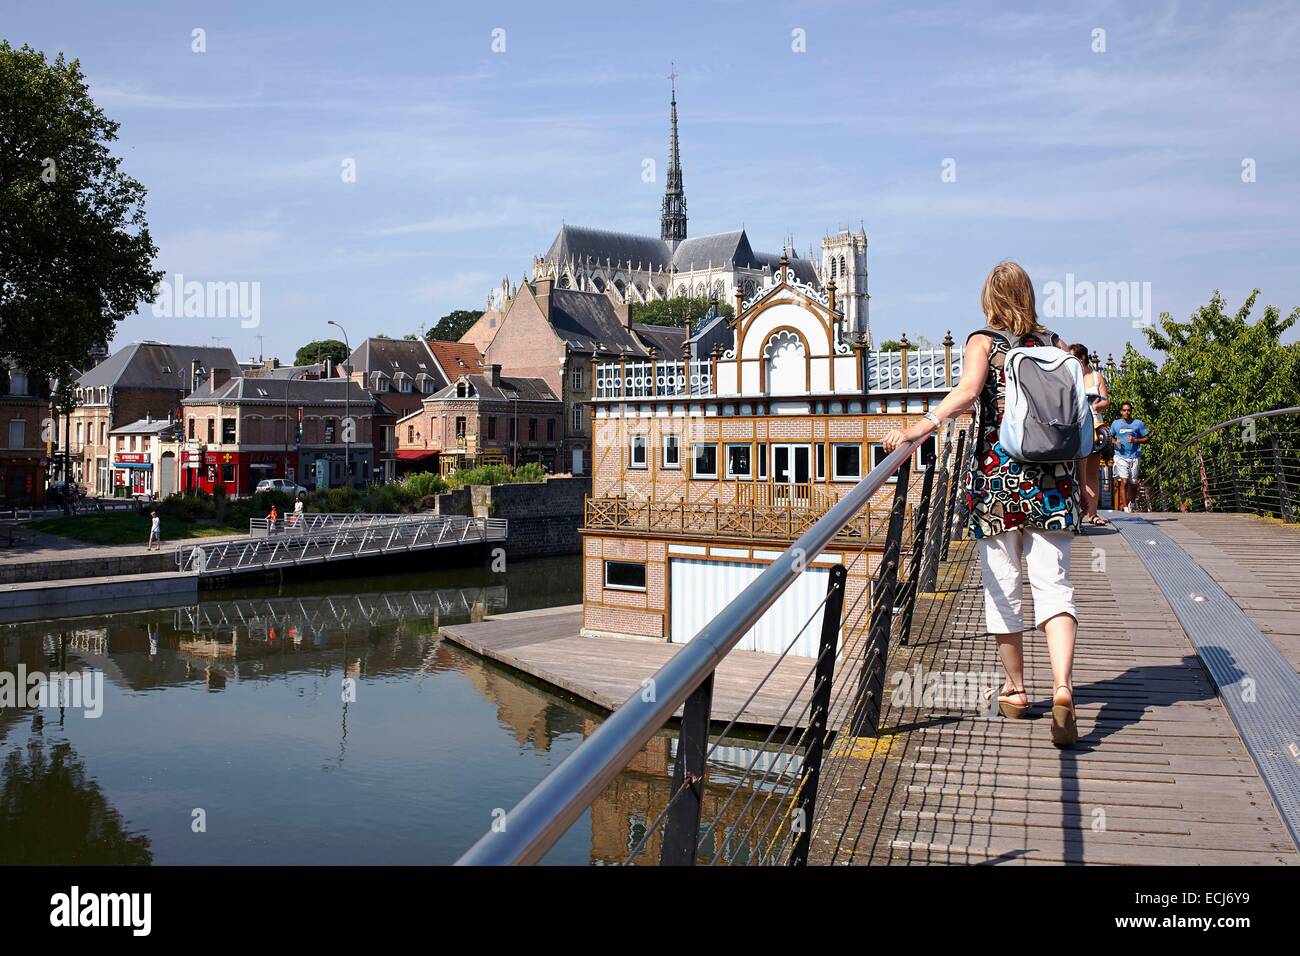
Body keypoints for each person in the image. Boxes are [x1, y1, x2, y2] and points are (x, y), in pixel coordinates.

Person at [884, 260, 1080, 747]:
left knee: (1003, 585)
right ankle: (1063, 687)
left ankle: (1015, 690)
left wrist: (916, 427)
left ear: (989, 299)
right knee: (1053, 584)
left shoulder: (983, 342)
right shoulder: (1052, 344)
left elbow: (966, 394)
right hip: (1054, 480)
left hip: (999, 479)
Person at [1069, 343, 1109, 526]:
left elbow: (1105, 401)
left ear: (1082, 358)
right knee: (1075, 472)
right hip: (1074, 425)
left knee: (1092, 471)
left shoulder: (1096, 376)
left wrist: (1093, 405)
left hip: (1093, 425)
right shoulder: (1069, 377)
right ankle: (1076, 512)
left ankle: (1092, 513)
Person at [1109, 402, 1150, 511]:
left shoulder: (1138, 424)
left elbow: (1147, 439)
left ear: (1131, 411)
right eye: (1124, 410)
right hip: (1120, 456)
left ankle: (1132, 502)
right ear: (1121, 412)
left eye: (1129, 410)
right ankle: (1126, 507)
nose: (1126, 412)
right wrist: (1115, 441)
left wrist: (1135, 440)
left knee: (1133, 483)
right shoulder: (1115, 424)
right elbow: (1109, 437)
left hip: (1135, 456)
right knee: (1124, 481)